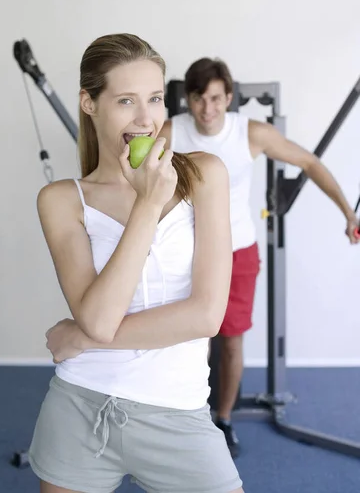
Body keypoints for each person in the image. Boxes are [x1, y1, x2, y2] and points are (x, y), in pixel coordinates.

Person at [29, 34, 244, 493]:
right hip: (80, 408)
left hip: (178, 412)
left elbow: (207, 315)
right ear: (89, 103)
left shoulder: (205, 174)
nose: (146, 118)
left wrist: (82, 336)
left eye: (154, 98)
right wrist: (147, 205)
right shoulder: (62, 199)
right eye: (126, 100)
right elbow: (100, 318)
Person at [156, 57, 360, 457]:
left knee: (230, 342)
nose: (208, 109)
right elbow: (123, 164)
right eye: (199, 99)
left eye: (216, 99)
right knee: (183, 341)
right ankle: (182, 418)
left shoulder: (249, 133)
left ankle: (224, 420)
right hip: (183, 251)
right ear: (188, 101)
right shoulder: (170, 131)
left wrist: (348, 213)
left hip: (237, 253)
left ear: (229, 98)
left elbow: (309, 163)